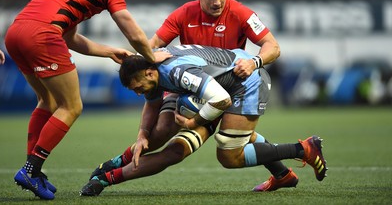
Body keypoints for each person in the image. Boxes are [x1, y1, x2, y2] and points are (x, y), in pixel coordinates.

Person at [85, 0, 298, 194]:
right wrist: (144, 57)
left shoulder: (240, 12)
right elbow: (152, 47)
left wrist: (253, 61)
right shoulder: (183, 14)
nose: (217, 2)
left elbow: (273, 47)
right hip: (189, 83)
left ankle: (290, 162)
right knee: (161, 130)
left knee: (198, 147)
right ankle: (117, 163)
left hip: (228, 86)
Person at [5, 0, 167, 200]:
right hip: (42, 35)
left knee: (47, 101)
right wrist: (150, 57)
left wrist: (109, 51)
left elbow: (71, 39)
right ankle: (30, 169)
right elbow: (133, 32)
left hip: (15, 32)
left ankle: (33, 171)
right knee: (71, 106)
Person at [80, 45, 327, 196]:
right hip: (207, 90)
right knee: (162, 134)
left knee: (229, 155)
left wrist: (193, 122)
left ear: (149, 72)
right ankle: (283, 175)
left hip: (244, 84)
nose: (137, 92)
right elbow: (152, 101)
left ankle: (303, 148)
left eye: (137, 87)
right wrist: (142, 133)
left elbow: (221, 99)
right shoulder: (150, 65)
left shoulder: (176, 72)